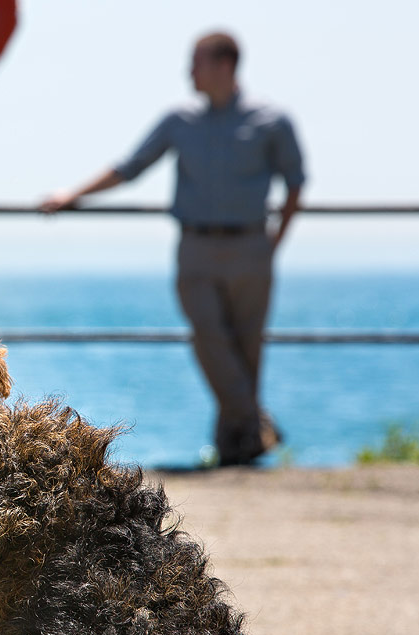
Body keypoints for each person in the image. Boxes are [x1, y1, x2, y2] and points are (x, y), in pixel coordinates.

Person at [41, 31, 305, 466]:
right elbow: (130, 167)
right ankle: (257, 423)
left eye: (196, 62)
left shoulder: (272, 120)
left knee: (246, 350)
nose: (189, 72)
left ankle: (237, 448)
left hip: (252, 246)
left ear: (224, 65)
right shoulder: (180, 120)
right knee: (209, 339)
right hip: (196, 248)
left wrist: (274, 244)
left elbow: (296, 183)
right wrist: (73, 195)